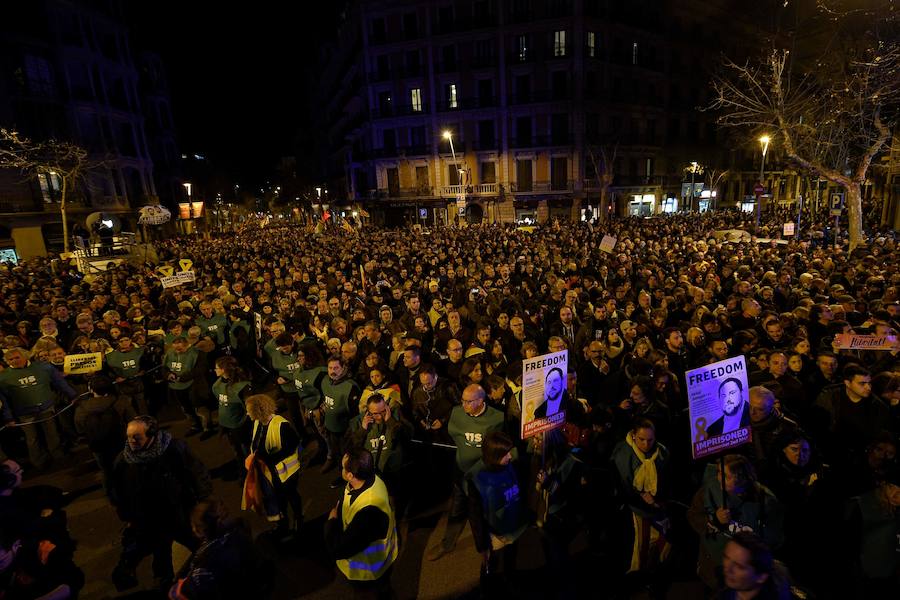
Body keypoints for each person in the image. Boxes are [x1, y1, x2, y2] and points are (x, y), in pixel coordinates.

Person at [110, 416, 212, 592]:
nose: (131, 441)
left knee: (199, 545)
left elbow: (196, 471)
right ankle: (163, 583)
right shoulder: (123, 460)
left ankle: (211, 575)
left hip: (179, 511)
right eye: (129, 436)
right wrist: (127, 515)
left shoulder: (174, 449)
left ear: (151, 435)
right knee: (160, 550)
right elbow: (119, 491)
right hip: (149, 516)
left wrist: (203, 500)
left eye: (137, 436)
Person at [426, 384, 505, 561]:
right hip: (461, 472)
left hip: (484, 476)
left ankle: (487, 548)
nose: (464, 405)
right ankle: (448, 544)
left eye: (469, 402)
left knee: (482, 514)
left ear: (481, 400)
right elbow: (453, 434)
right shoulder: (457, 412)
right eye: (462, 400)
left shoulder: (497, 418)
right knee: (456, 510)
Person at [324, 447, 398, 600]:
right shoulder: (372, 477)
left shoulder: (367, 511)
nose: (341, 469)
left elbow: (339, 548)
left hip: (367, 572)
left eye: (342, 467)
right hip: (382, 561)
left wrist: (331, 522)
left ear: (350, 475)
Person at [467, 431, 528, 592]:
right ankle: (487, 589)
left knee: (511, 558)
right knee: (490, 566)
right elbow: (475, 516)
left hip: (513, 527)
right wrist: (482, 546)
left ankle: (510, 579)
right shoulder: (477, 479)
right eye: (505, 454)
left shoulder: (511, 466)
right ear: (494, 455)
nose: (510, 456)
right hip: (494, 534)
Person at [169, 499, 266, 600]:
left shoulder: (205, 561)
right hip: (251, 585)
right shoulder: (238, 531)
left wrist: (177, 589)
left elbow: (186, 591)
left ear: (198, 530)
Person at [611, 419, 671, 576]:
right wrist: (641, 496)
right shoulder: (624, 454)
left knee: (663, 538)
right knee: (640, 542)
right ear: (633, 435)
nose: (646, 444)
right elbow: (622, 485)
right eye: (641, 439)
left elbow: (667, 477)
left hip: (657, 504)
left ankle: (654, 568)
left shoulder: (661, 452)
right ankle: (638, 573)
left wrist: (657, 498)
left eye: (650, 440)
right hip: (634, 506)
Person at [0, 347, 77, 470]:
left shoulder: (43, 367)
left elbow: (59, 382)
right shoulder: (3, 378)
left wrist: (72, 395)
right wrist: (8, 418)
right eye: (10, 359)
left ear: (25, 356)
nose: (14, 361)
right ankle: (39, 463)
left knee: (52, 434)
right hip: (24, 413)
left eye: (17, 357)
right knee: (32, 439)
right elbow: (3, 401)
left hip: (46, 408)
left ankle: (59, 457)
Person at [244, 394, 303, 539]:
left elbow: (293, 445)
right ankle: (282, 525)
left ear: (258, 410)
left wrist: (268, 458)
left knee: (290, 496)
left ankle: (299, 521)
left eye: (248, 410)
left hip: (286, 472)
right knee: (276, 499)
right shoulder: (258, 423)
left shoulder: (281, 425)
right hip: (269, 471)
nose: (246, 413)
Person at [73, 375, 135, 496]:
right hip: (120, 441)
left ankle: (112, 495)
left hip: (98, 444)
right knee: (125, 467)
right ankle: (129, 492)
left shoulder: (82, 407)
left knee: (106, 471)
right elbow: (132, 419)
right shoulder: (120, 401)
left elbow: (80, 428)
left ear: (91, 390)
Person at [212, 356, 252, 479]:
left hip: (240, 426)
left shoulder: (241, 386)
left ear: (224, 369)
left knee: (247, 451)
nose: (214, 370)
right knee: (237, 451)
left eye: (217, 368)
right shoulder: (218, 384)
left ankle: (252, 474)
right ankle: (243, 471)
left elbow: (250, 408)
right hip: (228, 425)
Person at [718, 532, 790, 600]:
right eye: (726, 557)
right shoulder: (725, 585)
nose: (727, 569)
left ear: (761, 577)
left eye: (739, 566)